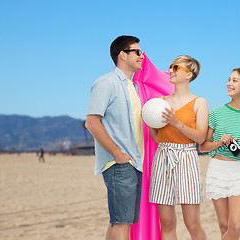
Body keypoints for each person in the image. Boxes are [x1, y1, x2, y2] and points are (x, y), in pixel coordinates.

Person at [86, 35, 145, 240]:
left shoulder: (134, 87)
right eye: (137, 51)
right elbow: (92, 122)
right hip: (119, 163)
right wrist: (117, 154)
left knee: (118, 222)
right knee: (122, 224)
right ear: (122, 55)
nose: (141, 55)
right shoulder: (106, 83)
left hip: (134, 163)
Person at [147, 55, 208, 240]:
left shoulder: (200, 103)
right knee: (167, 223)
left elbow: (200, 137)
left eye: (176, 67)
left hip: (187, 157)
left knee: (192, 224)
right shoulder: (160, 101)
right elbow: (157, 137)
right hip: (163, 156)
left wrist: (176, 122)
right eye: (171, 67)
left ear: (189, 75)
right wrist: (149, 119)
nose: (171, 71)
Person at [199, 67, 240, 240]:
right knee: (224, 227)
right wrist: (219, 143)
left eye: (235, 80)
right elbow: (203, 147)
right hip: (217, 170)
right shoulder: (216, 113)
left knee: (235, 227)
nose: (229, 83)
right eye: (229, 79)